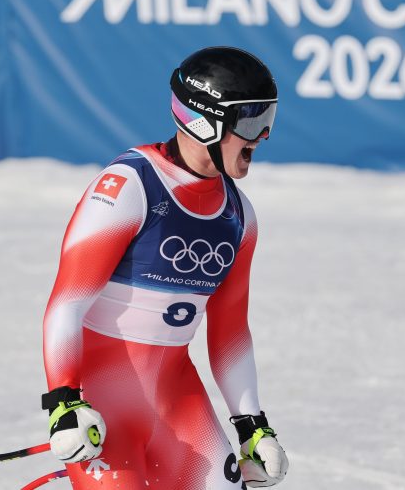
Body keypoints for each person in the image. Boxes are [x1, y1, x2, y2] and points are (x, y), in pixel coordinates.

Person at [41, 46, 289, 489]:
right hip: (104, 407)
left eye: (268, 118)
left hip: (178, 404)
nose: (263, 136)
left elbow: (230, 332)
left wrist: (252, 426)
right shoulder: (128, 187)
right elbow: (67, 303)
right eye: (252, 121)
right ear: (206, 122)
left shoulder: (239, 216)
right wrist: (64, 401)